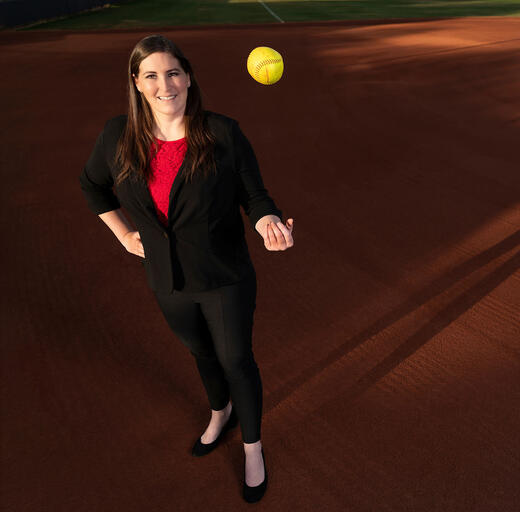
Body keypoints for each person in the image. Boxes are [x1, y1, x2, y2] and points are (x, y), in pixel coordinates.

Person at [78, 34, 294, 504]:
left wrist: (268, 222)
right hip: (167, 280)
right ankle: (221, 413)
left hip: (223, 276)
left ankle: (253, 449)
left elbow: (254, 196)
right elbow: (92, 186)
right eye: (151, 75)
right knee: (200, 354)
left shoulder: (222, 133)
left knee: (236, 360)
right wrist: (123, 235)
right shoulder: (117, 137)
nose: (164, 84)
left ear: (189, 78)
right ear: (137, 83)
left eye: (173, 72)